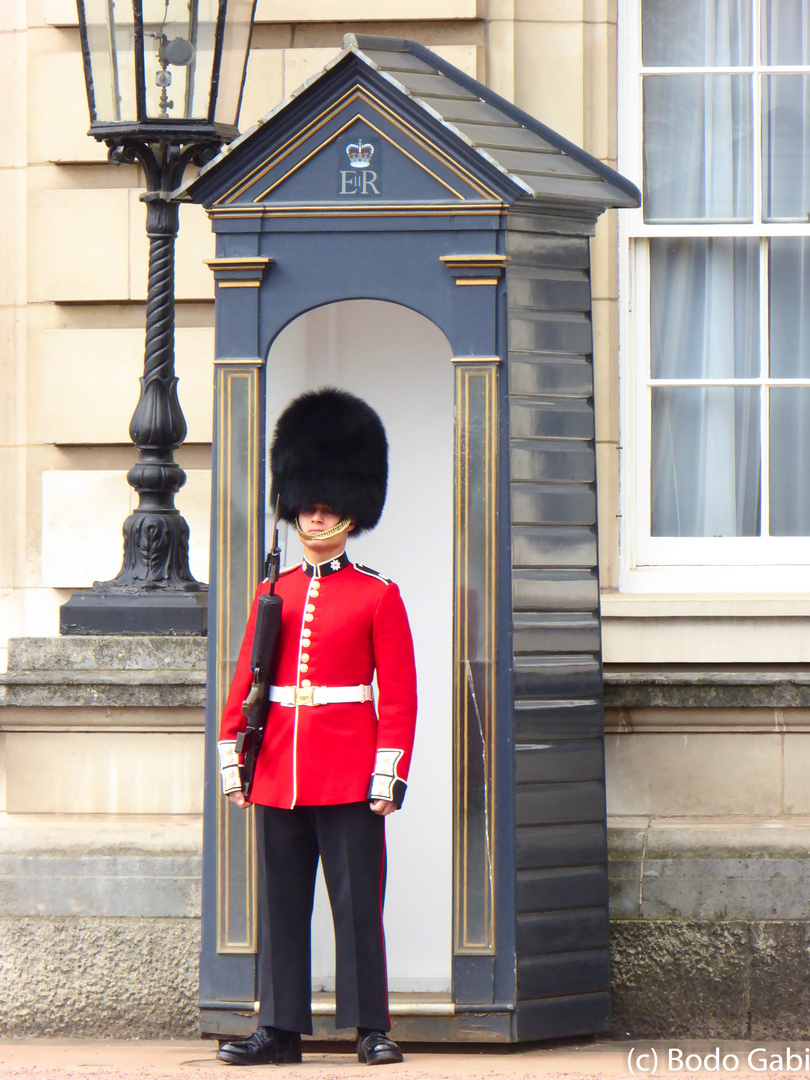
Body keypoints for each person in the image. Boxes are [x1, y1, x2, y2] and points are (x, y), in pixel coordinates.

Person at [216, 387, 418, 1067]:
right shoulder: (272, 594)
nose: (315, 516)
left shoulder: (378, 595)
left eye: (327, 507)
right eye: (308, 505)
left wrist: (389, 770)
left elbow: (399, 696)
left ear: (348, 515)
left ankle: (370, 1027)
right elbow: (246, 682)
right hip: (279, 768)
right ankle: (279, 1029)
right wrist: (233, 762)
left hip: (350, 767)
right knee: (281, 907)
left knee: (357, 905)